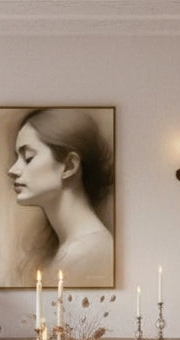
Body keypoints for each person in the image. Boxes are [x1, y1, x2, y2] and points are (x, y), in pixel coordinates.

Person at [6, 108, 114, 286]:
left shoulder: (94, 252)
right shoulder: (69, 249)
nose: (12, 170)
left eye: (28, 157)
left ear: (69, 166)